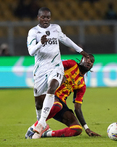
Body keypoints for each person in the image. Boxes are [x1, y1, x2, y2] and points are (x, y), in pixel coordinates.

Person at [26, 7, 89, 139]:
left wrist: (80, 50)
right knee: (38, 103)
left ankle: (42, 122)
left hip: (55, 66)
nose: (46, 20)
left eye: (48, 17)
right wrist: (40, 43)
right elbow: (31, 51)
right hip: (41, 69)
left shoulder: (56, 28)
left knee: (52, 86)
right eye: (43, 17)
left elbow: (65, 39)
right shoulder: (33, 32)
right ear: (38, 18)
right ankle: (41, 125)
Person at [25, 54, 101, 138]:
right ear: (81, 60)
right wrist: (59, 74)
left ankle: (45, 134)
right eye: (87, 59)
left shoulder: (82, 85)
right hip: (49, 95)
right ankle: (34, 128)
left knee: (77, 129)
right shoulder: (72, 64)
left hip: (59, 104)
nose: (89, 62)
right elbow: (53, 65)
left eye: (92, 61)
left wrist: (86, 128)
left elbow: (77, 108)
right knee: (58, 105)